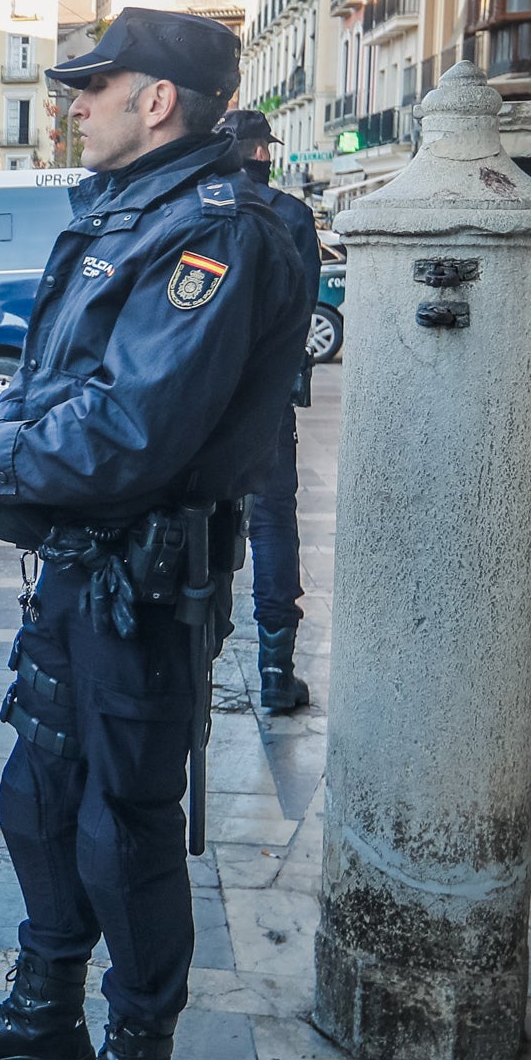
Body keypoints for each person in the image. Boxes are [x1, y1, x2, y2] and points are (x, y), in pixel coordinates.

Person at [0, 11, 309, 1060]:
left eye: (93, 86)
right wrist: (12, 445)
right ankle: (45, 1008)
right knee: (39, 789)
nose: (72, 103)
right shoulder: (129, 214)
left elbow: (128, 426)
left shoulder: (216, 234)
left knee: (120, 826)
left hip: (142, 580)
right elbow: (56, 382)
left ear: (158, 101)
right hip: (80, 569)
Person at [223, 109, 326, 714]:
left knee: (196, 515)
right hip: (266, 403)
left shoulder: (201, 205)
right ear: (266, 151)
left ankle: (189, 658)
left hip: (202, 397)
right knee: (271, 524)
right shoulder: (292, 215)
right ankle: (273, 667)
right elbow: (303, 308)